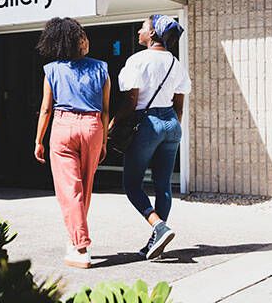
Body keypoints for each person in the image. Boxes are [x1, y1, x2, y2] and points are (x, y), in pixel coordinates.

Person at [111, 14, 191, 260]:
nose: (138, 32)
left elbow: (131, 100)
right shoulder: (176, 63)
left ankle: (159, 227)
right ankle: (157, 242)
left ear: (153, 33)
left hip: (148, 124)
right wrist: (171, 128)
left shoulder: (138, 60)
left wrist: (113, 124)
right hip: (171, 124)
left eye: (143, 28)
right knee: (163, 185)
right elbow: (179, 104)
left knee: (132, 184)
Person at [34, 17, 110, 269]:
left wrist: (38, 140)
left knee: (70, 190)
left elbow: (46, 109)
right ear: (73, 42)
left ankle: (81, 247)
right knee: (84, 188)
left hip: (63, 127)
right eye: (82, 37)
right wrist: (103, 142)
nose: (86, 40)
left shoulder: (52, 70)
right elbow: (106, 109)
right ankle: (75, 238)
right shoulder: (101, 68)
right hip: (93, 126)